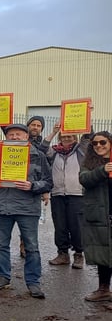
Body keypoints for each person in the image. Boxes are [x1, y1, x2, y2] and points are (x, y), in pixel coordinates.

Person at [0, 123, 52, 299]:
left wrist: (33, 186)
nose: (14, 137)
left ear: (26, 137)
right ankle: (3, 277)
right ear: (7, 137)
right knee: (1, 245)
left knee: (31, 246)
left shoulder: (38, 155)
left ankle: (33, 282)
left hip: (28, 208)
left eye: (18, 134)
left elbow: (48, 182)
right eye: (11, 134)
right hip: (4, 206)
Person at [45, 122, 90, 268]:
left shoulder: (81, 150)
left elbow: (88, 136)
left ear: (75, 138)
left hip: (77, 194)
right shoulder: (54, 152)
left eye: (70, 136)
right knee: (60, 226)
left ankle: (78, 255)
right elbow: (42, 148)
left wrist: (86, 116)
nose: (67, 138)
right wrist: (53, 132)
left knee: (76, 226)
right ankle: (62, 254)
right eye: (64, 136)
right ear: (60, 138)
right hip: (58, 194)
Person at [79, 131, 112, 307]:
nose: (99, 146)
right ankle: (103, 289)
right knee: (103, 254)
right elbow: (84, 179)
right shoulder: (90, 163)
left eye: (103, 142)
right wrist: (102, 170)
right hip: (100, 215)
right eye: (95, 143)